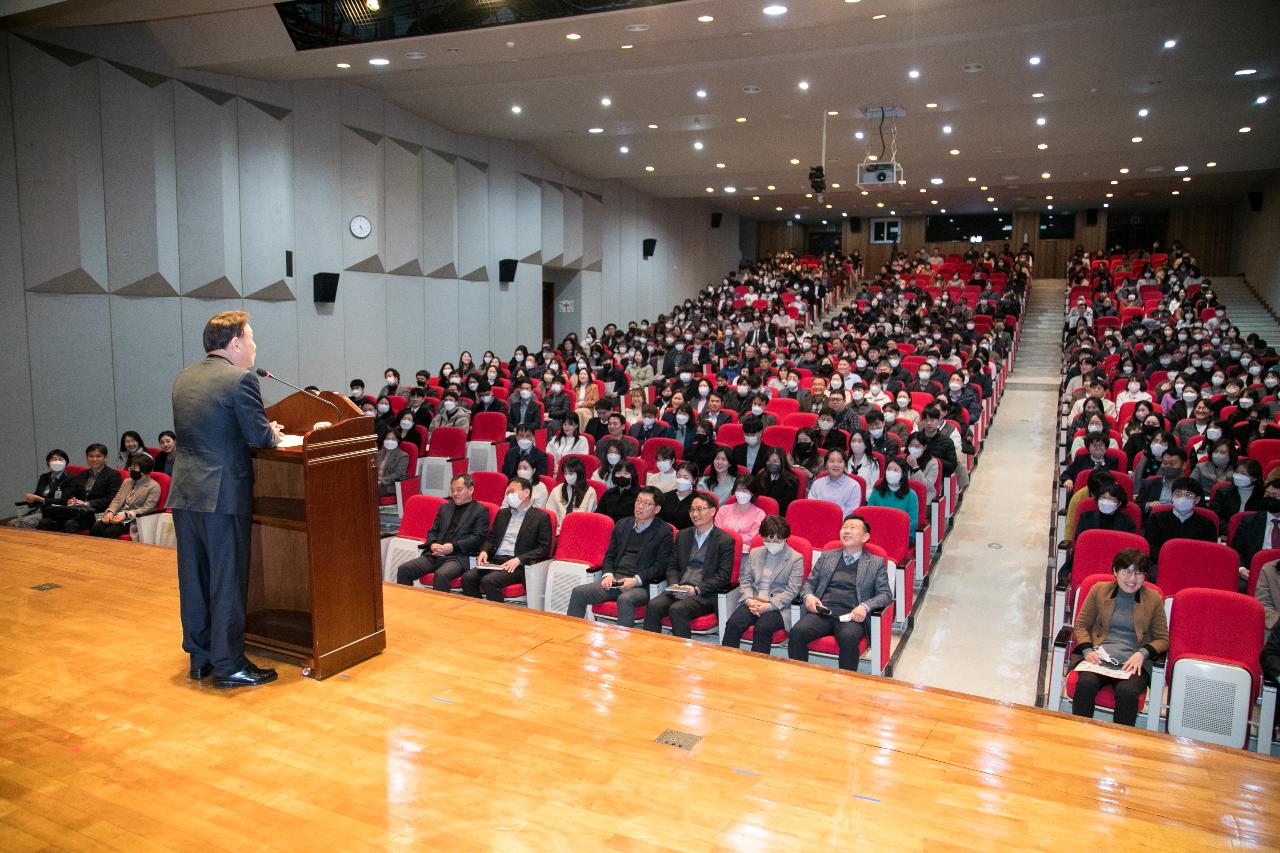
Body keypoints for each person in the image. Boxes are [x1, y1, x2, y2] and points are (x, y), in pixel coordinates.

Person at [168, 311, 283, 689]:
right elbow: (261, 439)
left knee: (194, 579)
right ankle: (230, 663)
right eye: (250, 339)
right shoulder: (240, 380)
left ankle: (200, 658)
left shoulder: (183, 378)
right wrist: (271, 430)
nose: (253, 347)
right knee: (227, 579)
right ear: (234, 343)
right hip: (223, 496)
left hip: (185, 493)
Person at [1069, 549, 1168, 727]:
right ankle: (1079, 734)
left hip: (1133, 661)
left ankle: (1121, 743)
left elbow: (1162, 639)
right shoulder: (1099, 590)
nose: (1132, 578)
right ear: (1115, 571)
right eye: (1127, 571)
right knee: (1085, 685)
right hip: (1100, 656)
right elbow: (1081, 624)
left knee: (1127, 692)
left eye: (1138, 572)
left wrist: (1142, 653)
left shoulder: (1153, 598)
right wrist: (1087, 650)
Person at [787, 515, 892, 671]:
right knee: (797, 632)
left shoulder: (875, 562)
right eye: (844, 527)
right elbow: (809, 583)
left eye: (853, 528)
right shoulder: (828, 555)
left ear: (865, 537)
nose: (847, 531)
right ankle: (801, 676)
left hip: (851, 616)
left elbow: (885, 594)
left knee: (848, 637)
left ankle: (846, 683)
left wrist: (865, 606)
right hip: (823, 612)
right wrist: (808, 596)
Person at [566, 487, 674, 627]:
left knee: (625, 599)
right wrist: (608, 575)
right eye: (638, 501)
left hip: (641, 586)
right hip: (615, 581)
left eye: (646, 503)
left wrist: (635, 581)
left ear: (657, 509)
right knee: (579, 592)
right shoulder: (623, 524)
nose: (640, 506)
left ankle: (623, 644)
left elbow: (660, 566)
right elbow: (610, 555)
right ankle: (570, 633)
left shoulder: (664, 532)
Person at [642, 494, 735, 637]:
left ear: (712, 511)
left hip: (704, 594)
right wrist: (675, 586)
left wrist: (696, 590)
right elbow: (671, 566)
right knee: (653, 605)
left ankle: (682, 655)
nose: (695, 514)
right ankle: (649, 650)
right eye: (692, 510)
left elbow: (723, 576)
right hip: (679, 589)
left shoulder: (725, 540)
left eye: (699, 509)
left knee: (677, 609)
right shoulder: (683, 535)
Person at [460, 477, 553, 602]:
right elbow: (490, 538)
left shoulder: (541, 517)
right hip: (496, 561)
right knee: (467, 577)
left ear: (526, 493)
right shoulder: (502, 514)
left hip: (518, 565)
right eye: (508, 493)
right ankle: (478, 613)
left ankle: (498, 618)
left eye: (512, 492)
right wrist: (484, 551)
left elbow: (543, 549)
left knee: (489, 581)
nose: (509, 496)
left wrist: (519, 559)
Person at [721, 516, 805, 654]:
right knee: (733, 623)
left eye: (776, 541)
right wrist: (748, 600)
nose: (771, 544)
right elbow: (746, 580)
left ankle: (758, 669)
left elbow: (792, 590)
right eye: (767, 540)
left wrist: (769, 605)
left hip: (778, 607)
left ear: (785, 538)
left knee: (762, 628)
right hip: (753, 601)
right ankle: (727, 662)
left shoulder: (795, 558)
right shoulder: (755, 553)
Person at [395, 474, 490, 589]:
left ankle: (441, 607)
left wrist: (453, 547)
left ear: (471, 490)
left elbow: (478, 538)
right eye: (452, 490)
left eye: (459, 490)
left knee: (441, 575)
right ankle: (406, 606)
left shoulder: (480, 511)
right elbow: (432, 531)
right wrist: (432, 544)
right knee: (404, 569)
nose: (455, 494)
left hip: (458, 557)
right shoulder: (445, 508)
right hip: (435, 554)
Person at [37, 443, 122, 533]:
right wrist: (72, 500)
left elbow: (112, 499)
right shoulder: (82, 475)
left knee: (70, 523)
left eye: (98, 456)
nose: (94, 459)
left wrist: (88, 503)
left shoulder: (113, 475)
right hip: (76, 511)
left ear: (105, 458)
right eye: (91, 456)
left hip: (96, 513)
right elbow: (74, 493)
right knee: (45, 522)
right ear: (87, 458)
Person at [1143, 477, 1216, 566]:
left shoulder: (1207, 524)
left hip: (1194, 567)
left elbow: (1208, 552)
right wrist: (1172, 560)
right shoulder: (1157, 519)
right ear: (1172, 497)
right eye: (1178, 494)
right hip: (1163, 564)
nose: (1182, 498)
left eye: (1188, 495)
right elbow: (1150, 547)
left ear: (1197, 500)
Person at [89, 453, 161, 538]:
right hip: (118, 514)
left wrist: (127, 514)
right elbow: (117, 499)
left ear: (144, 470)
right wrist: (110, 512)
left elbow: (148, 508)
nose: (131, 470)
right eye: (130, 468)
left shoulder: (154, 486)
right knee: (96, 529)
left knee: (110, 532)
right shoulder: (127, 481)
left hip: (134, 519)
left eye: (134, 468)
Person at [8, 449, 73, 529]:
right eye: (54, 459)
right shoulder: (44, 477)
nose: (57, 462)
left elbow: (64, 501)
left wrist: (41, 499)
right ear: (48, 463)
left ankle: (33, 541)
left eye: (60, 459)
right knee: (11, 523)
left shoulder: (71, 478)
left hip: (55, 512)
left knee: (25, 523)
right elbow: (37, 495)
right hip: (38, 510)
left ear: (66, 463)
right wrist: (31, 499)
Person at [866, 458, 919, 543]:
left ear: (902, 474)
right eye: (889, 469)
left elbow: (912, 522)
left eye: (895, 470)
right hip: (878, 533)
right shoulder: (877, 491)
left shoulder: (911, 495)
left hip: (902, 535)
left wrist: (891, 532)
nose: (891, 472)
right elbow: (869, 515)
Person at [808, 448, 863, 516]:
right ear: (826, 465)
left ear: (845, 465)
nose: (836, 465)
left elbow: (850, 513)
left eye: (840, 461)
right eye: (832, 461)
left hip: (842, 524)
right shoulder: (817, 484)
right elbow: (811, 507)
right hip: (818, 522)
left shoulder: (854, 486)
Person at [546, 456, 598, 527]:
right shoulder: (557, 490)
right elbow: (550, 514)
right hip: (558, 529)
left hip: (579, 530)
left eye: (571, 473)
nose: (567, 476)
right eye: (565, 473)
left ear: (579, 473)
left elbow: (587, 519)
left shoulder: (590, 492)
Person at [714, 474, 766, 541]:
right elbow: (716, 531)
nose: (740, 493)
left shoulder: (759, 514)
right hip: (722, 546)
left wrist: (732, 538)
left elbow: (754, 538)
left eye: (744, 491)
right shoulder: (723, 510)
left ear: (752, 493)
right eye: (738, 490)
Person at [750, 446, 800, 516]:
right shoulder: (761, 476)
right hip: (758, 513)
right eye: (768, 461)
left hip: (779, 515)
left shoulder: (791, 480)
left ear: (782, 462)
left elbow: (786, 505)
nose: (771, 463)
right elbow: (754, 495)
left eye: (775, 461)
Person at [659, 461, 700, 529]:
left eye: (685, 477)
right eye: (678, 476)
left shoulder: (699, 501)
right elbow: (659, 520)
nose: (681, 480)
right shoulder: (665, 496)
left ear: (694, 480)